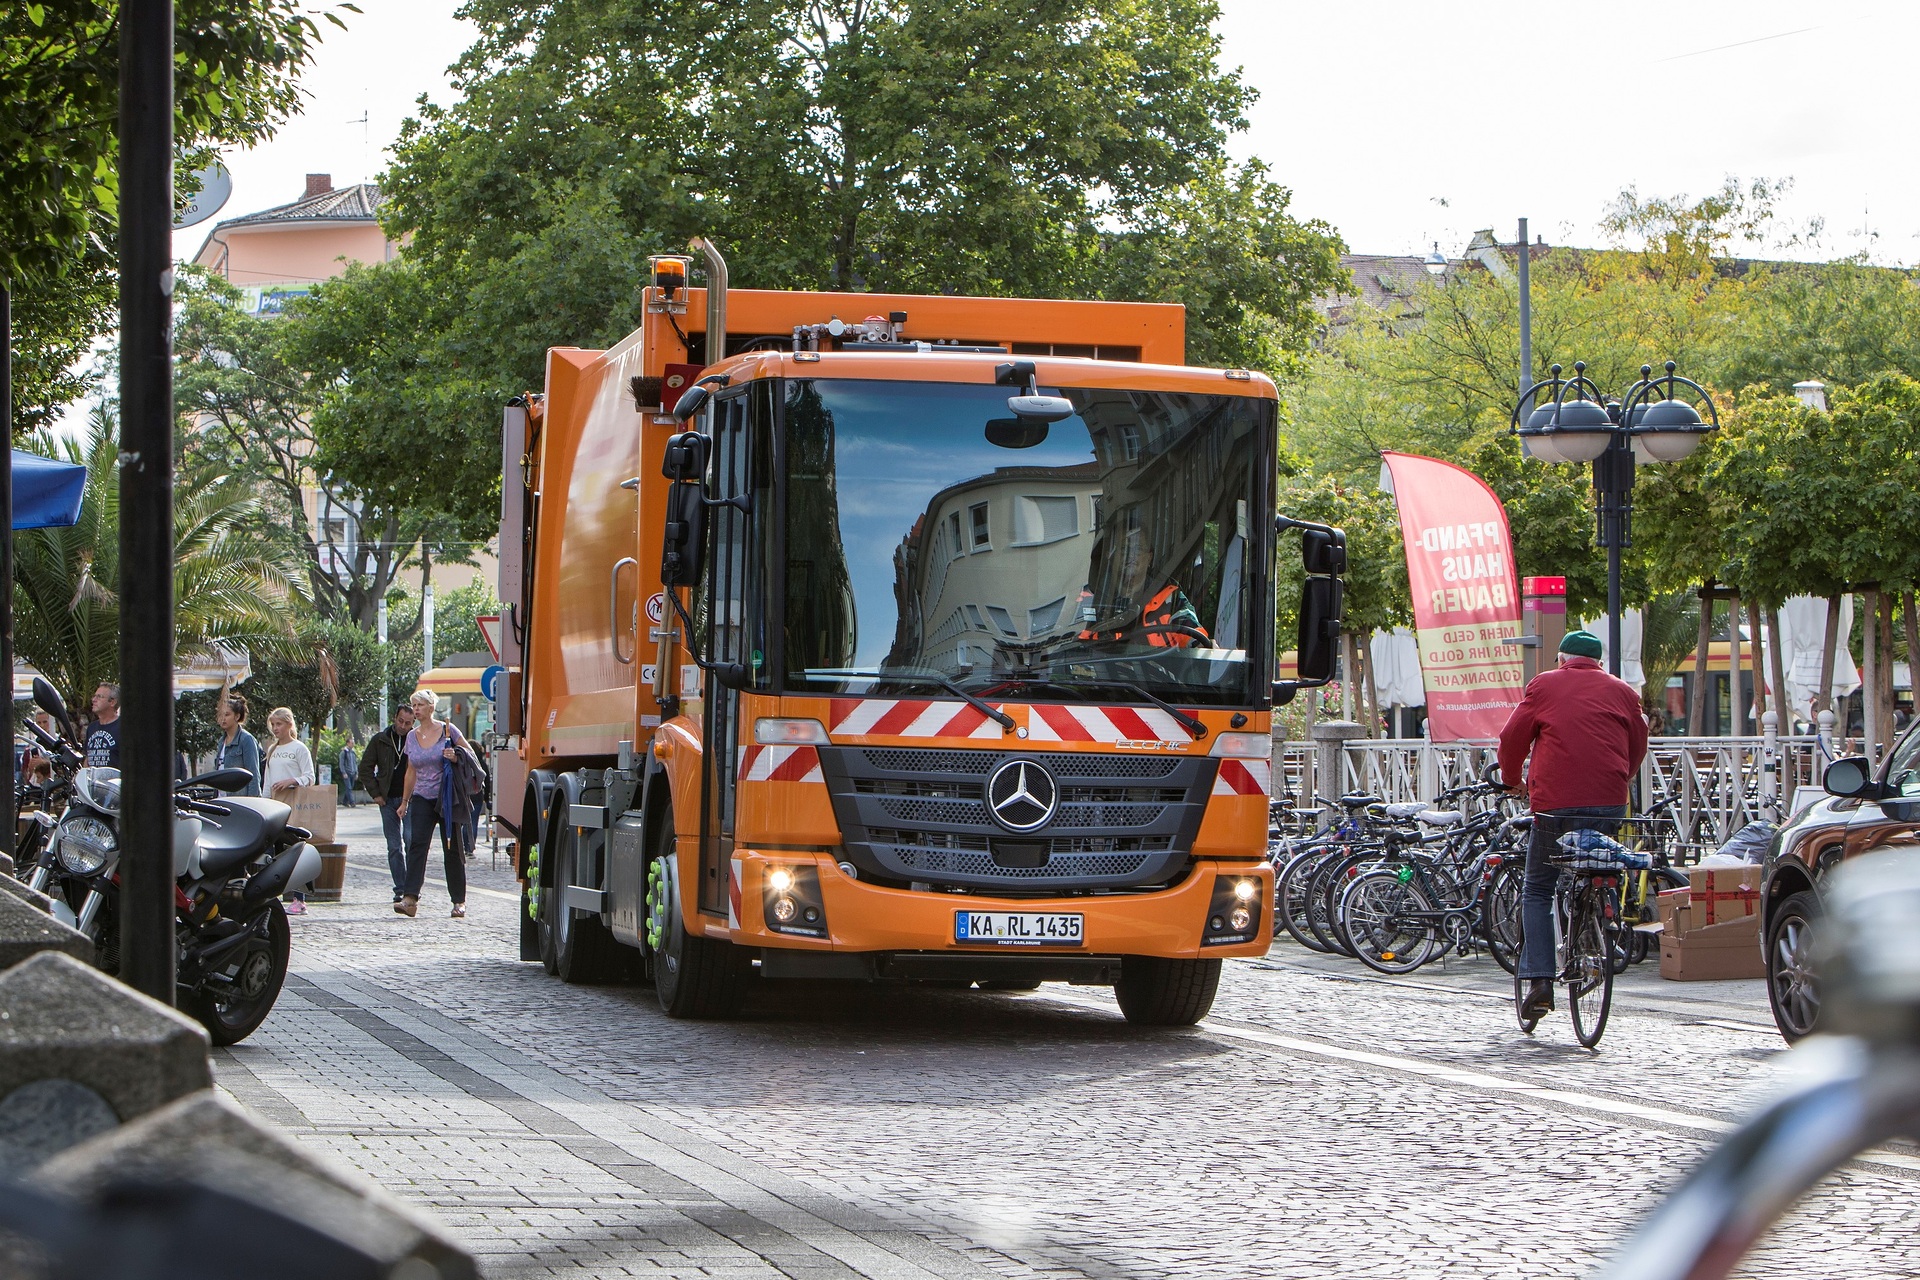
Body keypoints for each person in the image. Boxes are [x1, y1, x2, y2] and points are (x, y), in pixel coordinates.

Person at [1498, 629, 1650, 1023]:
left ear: (1562, 659)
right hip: (1610, 803)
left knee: (1538, 887)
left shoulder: (1545, 685)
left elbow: (1512, 738)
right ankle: (1598, 917)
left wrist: (1512, 778)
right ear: (1599, 663)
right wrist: (1622, 778)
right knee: (1597, 863)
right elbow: (1638, 743)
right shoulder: (1623, 691)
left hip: (1554, 807)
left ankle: (1540, 980)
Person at [395, 689, 476, 919]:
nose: (416, 709)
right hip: (422, 797)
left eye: (420, 705)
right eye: (414, 705)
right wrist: (404, 801)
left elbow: (469, 753)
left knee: (452, 848)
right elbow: (411, 770)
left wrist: (455, 754)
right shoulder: (412, 736)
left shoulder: (446, 730)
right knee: (417, 844)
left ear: (431, 708)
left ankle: (459, 901)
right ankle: (409, 898)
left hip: (447, 796)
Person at [358, 704, 416, 905]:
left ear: (413, 723)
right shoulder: (380, 740)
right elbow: (365, 768)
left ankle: (411, 888)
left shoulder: (416, 739)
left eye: (408, 723)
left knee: (410, 840)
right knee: (394, 846)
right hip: (388, 799)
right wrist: (376, 794)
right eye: (400, 721)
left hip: (411, 798)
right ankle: (400, 888)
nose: (403, 726)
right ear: (395, 717)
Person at [261, 707, 316, 915]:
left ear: (289, 724)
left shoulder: (299, 748)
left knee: (296, 851)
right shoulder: (272, 750)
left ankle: (299, 899)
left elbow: (310, 777)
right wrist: (265, 803)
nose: (275, 728)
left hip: (295, 805)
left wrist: (292, 781)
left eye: (279, 724)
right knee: (275, 852)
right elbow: (267, 782)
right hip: (276, 806)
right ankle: (273, 896)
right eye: (273, 724)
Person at [212, 693, 262, 797]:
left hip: (240, 800)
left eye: (227, 714)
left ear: (237, 716)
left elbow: (254, 775)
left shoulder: (246, 739)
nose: (223, 719)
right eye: (220, 715)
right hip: (222, 800)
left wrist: (252, 802)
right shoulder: (222, 741)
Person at [85, 683, 121, 768]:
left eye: (99, 696)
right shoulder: (91, 728)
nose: (94, 699)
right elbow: (87, 759)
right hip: (93, 780)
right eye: (94, 696)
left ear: (112, 702)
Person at [336, 738, 359, 808]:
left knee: (350, 787)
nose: (353, 744)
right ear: (348, 743)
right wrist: (343, 772)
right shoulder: (344, 752)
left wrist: (356, 772)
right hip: (347, 773)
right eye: (352, 743)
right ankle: (352, 802)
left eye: (353, 743)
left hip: (353, 772)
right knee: (348, 787)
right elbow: (341, 763)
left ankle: (345, 801)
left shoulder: (353, 752)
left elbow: (355, 763)